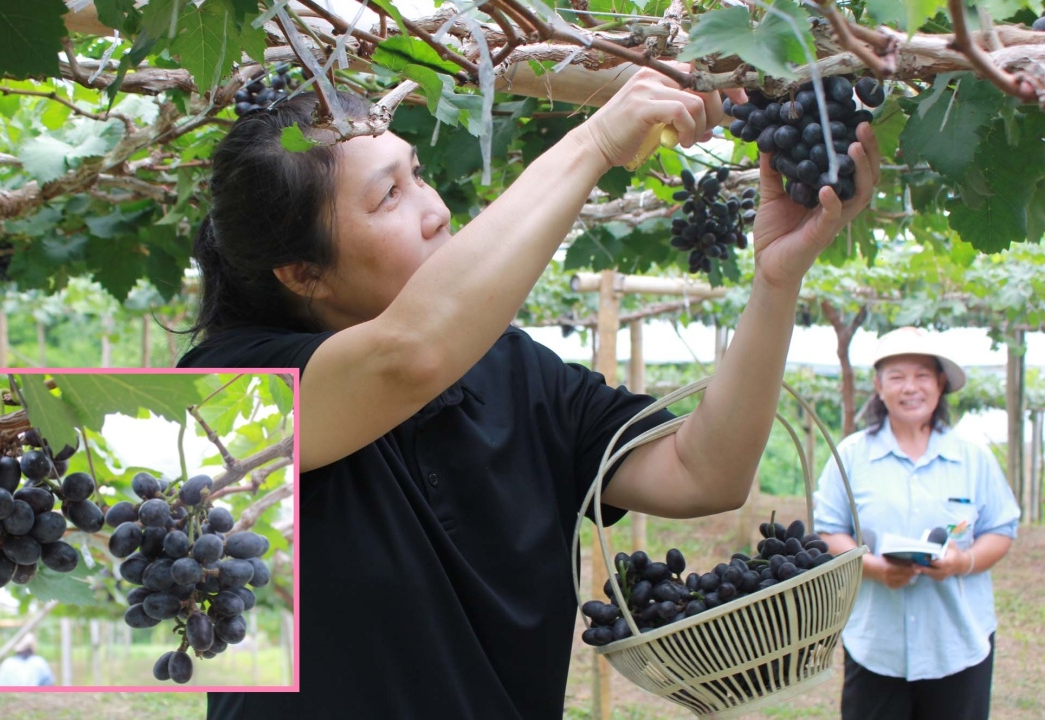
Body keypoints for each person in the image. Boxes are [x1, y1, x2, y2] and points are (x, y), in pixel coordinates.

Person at [177, 63, 881, 719]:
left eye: (417, 175)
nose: (435, 211)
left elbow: (707, 473)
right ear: (303, 274)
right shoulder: (230, 391)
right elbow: (407, 356)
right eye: (389, 196)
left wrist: (776, 281)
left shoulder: (513, 369)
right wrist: (598, 140)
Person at [812, 326, 1022, 720]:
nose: (911, 387)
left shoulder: (973, 458)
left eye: (922, 375)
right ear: (878, 385)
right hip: (877, 644)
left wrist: (964, 563)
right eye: (897, 376)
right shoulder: (852, 455)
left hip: (957, 644)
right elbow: (827, 531)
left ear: (940, 383)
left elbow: (1001, 529)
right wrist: (874, 569)